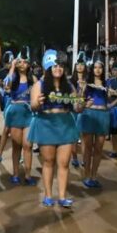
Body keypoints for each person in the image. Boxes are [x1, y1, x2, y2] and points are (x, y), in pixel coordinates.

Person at [29, 49, 83, 208]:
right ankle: (48, 195)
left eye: (60, 66)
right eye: (54, 66)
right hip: (46, 124)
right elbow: (33, 106)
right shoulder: (39, 85)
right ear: (48, 67)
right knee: (48, 161)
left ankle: (62, 196)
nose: (58, 68)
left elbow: (77, 108)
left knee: (64, 163)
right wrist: (37, 102)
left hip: (65, 125)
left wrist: (82, 104)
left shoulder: (70, 86)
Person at [77, 51, 114, 189]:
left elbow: (108, 102)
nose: (98, 70)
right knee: (87, 148)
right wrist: (82, 90)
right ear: (92, 69)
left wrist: (113, 95)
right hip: (89, 114)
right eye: (95, 67)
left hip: (103, 115)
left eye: (100, 67)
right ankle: (87, 175)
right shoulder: (86, 82)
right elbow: (79, 100)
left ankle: (94, 175)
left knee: (98, 148)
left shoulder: (107, 83)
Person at [1, 48, 37, 185]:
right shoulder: (13, 78)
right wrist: (12, 67)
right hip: (15, 114)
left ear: (28, 64)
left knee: (28, 145)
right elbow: (6, 85)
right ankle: (15, 174)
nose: (22, 64)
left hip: (29, 114)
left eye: (25, 62)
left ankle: (28, 175)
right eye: (20, 62)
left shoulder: (32, 79)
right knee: (16, 146)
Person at [69, 52, 88, 168]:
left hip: (85, 111)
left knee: (84, 136)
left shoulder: (88, 80)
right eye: (78, 64)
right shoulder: (70, 81)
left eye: (82, 64)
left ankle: (85, 159)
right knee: (74, 136)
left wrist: (84, 89)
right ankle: (74, 157)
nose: (80, 67)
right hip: (73, 111)